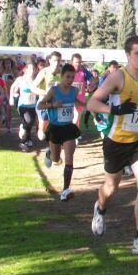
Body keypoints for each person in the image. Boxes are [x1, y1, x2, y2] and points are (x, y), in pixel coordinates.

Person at [87, 36, 138, 255]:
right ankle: (100, 207)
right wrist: (115, 110)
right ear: (127, 55)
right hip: (116, 141)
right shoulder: (117, 77)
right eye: (137, 53)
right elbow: (92, 103)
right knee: (111, 187)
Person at [37, 64, 84, 201]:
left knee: (69, 158)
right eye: (67, 77)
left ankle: (65, 190)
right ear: (61, 76)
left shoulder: (74, 90)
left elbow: (75, 102)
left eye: (72, 77)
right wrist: (52, 105)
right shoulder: (53, 90)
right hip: (55, 128)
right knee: (56, 159)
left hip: (68, 128)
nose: (70, 79)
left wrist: (89, 106)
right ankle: (49, 153)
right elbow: (40, 105)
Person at [32, 51, 63, 142]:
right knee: (43, 131)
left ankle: (52, 148)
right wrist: (45, 93)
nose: (57, 63)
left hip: (57, 104)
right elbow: (33, 87)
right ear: (49, 60)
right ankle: (41, 131)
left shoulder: (62, 72)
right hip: (44, 103)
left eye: (58, 60)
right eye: (54, 60)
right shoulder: (44, 72)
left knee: (56, 129)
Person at [10, 62, 39, 151]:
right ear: (25, 70)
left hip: (33, 105)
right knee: (28, 121)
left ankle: (28, 139)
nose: (32, 71)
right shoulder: (20, 79)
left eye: (33, 69)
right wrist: (11, 97)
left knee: (30, 123)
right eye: (30, 69)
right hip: (22, 105)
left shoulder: (36, 80)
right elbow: (12, 87)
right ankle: (23, 142)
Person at [69, 53, 91, 136]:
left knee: (77, 118)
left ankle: (75, 133)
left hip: (80, 99)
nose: (78, 64)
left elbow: (93, 81)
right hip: (69, 98)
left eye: (79, 62)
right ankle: (72, 135)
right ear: (72, 62)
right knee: (73, 117)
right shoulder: (67, 71)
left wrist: (90, 87)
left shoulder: (84, 72)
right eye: (76, 62)